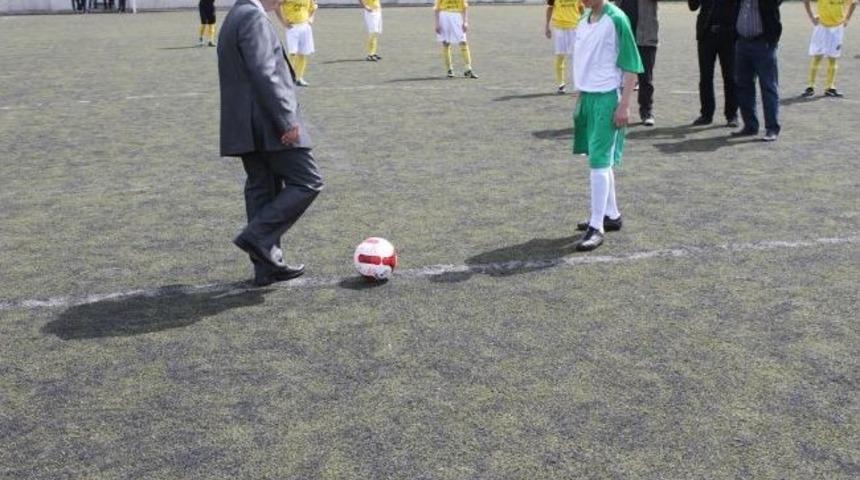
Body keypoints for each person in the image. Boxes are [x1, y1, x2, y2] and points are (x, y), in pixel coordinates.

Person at [218, 0, 324, 286]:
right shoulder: (252, 17)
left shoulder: (236, 15)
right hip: (267, 124)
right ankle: (257, 236)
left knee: (261, 188)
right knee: (308, 181)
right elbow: (265, 72)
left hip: (247, 125)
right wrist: (287, 120)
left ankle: (266, 267)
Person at [571, 0, 643, 251]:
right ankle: (611, 216)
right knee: (600, 158)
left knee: (599, 162)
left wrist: (624, 105)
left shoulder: (617, 19)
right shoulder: (583, 19)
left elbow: (631, 65)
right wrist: (580, 92)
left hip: (606, 97)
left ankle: (596, 226)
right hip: (588, 96)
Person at [732, 0, 782, 142]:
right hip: (742, 42)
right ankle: (750, 125)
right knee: (743, 85)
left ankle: (772, 128)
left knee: (768, 87)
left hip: (763, 43)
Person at [689, 0, 739, 126]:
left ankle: (732, 115)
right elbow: (693, 6)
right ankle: (706, 114)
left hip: (729, 35)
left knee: (730, 77)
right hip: (706, 34)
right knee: (705, 77)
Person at [615, 0, 658, 126]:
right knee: (616, 78)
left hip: (646, 37)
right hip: (621, 37)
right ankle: (615, 110)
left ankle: (646, 112)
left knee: (645, 79)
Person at [802, 0, 856, 98]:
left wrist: (847, 19)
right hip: (822, 26)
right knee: (817, 57)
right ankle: (810, 87)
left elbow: (853, 3)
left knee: (833, 58)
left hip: (837, 28)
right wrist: (811, 17)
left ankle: (830, 88)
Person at [545, 0, 583, 94]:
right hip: (559, 28)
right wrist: (547, 26)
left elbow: (581, 8)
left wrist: (585, 25)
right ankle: (561, 85)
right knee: (560, 56)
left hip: (574, 27)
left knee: (577, 57)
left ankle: (579, 84)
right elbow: (550, 8)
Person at [277, 0, 317, 87]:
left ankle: (299, 77)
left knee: (303, 53)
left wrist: (311, 18)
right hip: (292, 27)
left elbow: (314, 7)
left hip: (305, 27)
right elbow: (278, 5)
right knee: (292, 53)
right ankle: (288, 77)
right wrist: (283, 21)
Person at [434, 0, 478, 78]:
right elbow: (437, 8)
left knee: (463, 42)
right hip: (444, 17)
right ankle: (449, 70)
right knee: (446, 43)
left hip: (457, 16)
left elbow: (465, 7)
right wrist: (437, 23)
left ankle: (468, 69)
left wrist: (465, 22)